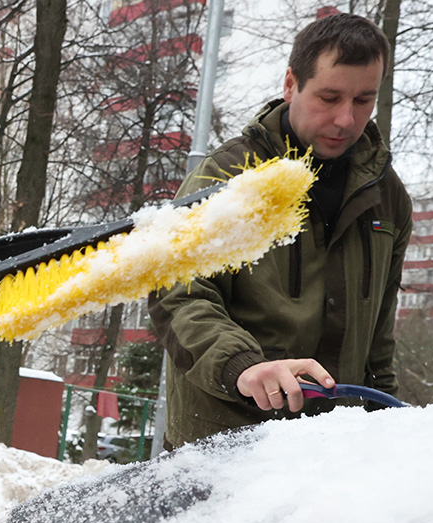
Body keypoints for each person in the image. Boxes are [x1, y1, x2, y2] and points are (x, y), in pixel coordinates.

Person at [149, 13, 413, 449]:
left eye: (364, 100)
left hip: (330, 453)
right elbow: (178, 295)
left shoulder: (387, 195)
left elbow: (379, 333)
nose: (347, 120)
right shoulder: (228, 176)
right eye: (329, 97)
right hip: (224, 444)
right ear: (291, 84)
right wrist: (243, 367)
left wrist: (389, 424)